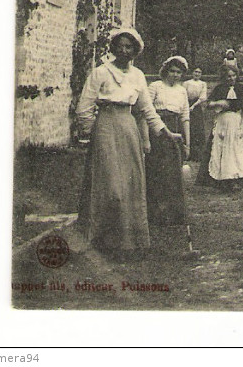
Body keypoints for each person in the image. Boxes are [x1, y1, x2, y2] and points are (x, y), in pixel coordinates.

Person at [75, 28, 179, 256]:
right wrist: (94, 134)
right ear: (112, 48)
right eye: (120, 46)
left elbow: (147, 109)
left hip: (129, 128)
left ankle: (128, 243)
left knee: (131, 184)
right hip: (105, 127)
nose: (124, 50)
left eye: (128, 47)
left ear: (135, 50)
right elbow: (84, 108)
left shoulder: (138, 76)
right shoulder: (100, 73)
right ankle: (102, 240)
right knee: (111, 186)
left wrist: (164, 131)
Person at [146, 56, 191, 226]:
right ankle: (155, 212)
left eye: (179, 72)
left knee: (173, 173)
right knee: (157, 171)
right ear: (165, 71)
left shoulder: (182, 91)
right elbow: (146, 111)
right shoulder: (155, 86)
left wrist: (187, 142)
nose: (175, 75)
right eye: (172, 71)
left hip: (175, 132)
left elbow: (185, 117)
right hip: (157, 131)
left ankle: (174, 213)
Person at [197, 65, 243, 192]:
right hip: (222, 120)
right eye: (228, 76)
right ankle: (222, 179)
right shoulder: (219, 89)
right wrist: (218, 103)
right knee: (220, 149)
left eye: (233, 75)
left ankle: (237, 178)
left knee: (236, 150)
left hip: (236, 121)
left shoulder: (241, 89)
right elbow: (208, 104)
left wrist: (242, 126)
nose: (231, 78)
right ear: (224, 77)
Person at [184, 67, 209, 162]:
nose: (197, 74)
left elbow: (203, 97)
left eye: (199, 72)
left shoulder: (203, 84)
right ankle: (187, 153)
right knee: (187, 127)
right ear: (192, 73)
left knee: (197, 128)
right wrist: (187, 106)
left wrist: (193, 106)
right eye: (195, 72)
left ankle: (197, 155)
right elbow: (183, 94)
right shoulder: (186, 83)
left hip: (196, 107)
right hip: (186, 104)